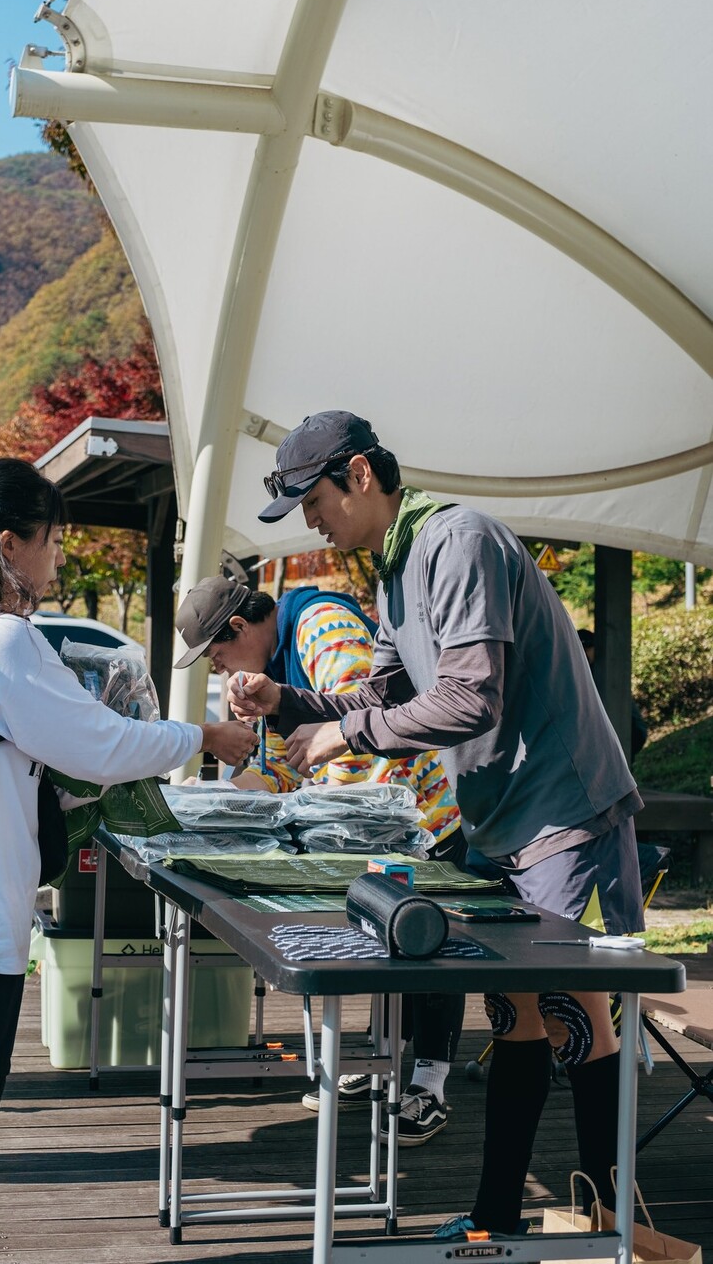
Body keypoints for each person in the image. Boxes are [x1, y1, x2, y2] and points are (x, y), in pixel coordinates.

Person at [230, 410, 644, 1239]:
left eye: (312, 500)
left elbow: (469, 696)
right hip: (500, 820)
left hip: (562, 807)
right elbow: (383, 695)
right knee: (512, 1012)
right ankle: (499, 1222)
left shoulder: (458, 542)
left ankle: (616, 1228)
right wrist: (289, 702)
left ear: (357, 474)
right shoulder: (394, 567)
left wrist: (343, 733)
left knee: (576, 1016)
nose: (309, 522)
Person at [0, 459, 256, 1264]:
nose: (61, 558)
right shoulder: (2, 642)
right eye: (53, 538)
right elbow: (102, 743)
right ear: (9, 544)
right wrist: (200, 737)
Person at [175, 575, 465, 1145]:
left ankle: (430, 1082)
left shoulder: (320, 625)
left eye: (216, 657)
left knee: (427, 953)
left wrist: (315, 812)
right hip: (363, 829)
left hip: (418, 821)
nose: (220, 671)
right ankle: (384, 1055)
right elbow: (282, 767)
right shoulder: (269, 672)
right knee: (382, 947)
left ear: (238, 628)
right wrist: (210, 803)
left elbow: (362, 734)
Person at [576, 628, 649, 760]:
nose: (584, 654)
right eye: (580, 650)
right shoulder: (579, 676)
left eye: (587, 648)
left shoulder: (606, 673)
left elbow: (637, 728)